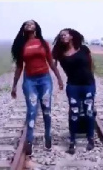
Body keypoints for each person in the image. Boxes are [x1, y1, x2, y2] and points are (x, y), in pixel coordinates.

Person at [10, 20, 63, 156]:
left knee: (46, 109)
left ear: (36, 27)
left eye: (31, 24)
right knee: (32, 110)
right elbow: (19, 67)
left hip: (45, 80)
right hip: (30, 81)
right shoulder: (21, 45)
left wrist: (59, 78)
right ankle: (29, 140)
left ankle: (47, 135)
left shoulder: (43, 43)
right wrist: (14, 85)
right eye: (26, 24)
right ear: (23, 28)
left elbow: (51, 63)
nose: (29, 25)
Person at [52, 28, 96, 154]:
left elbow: (91, 64)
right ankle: (72, 141)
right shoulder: (59, 52)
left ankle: (90, 138)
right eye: (61, 36)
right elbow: (51, 64)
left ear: (71, 36)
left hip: (88, 85)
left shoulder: (83, 49)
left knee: (88, 112)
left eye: (65, 35)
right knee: (74, 113)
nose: (62, 37)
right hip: (73, 86)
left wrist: (90, 78)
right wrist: (59, 79)